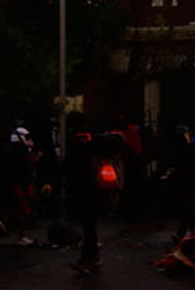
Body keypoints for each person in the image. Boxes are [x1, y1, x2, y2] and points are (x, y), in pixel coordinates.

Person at [66, 113, 125, 274]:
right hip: (93, 188)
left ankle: (88, 258)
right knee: (89, 226)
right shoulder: (95, 139)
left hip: (86, 188)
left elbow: (73, 166)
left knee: (88, 226)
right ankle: (91, 257)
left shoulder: (81, 141)